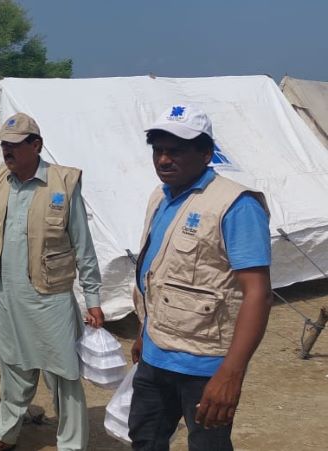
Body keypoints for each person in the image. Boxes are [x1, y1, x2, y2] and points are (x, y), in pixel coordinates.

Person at [128, 105, 272, 451]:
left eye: (175, 150)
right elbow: (157, 274)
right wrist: (142, 332)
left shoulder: (236, 205)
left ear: (206, 153)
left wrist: (230, 373)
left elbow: (257, 294)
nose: (163, 159)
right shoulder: (159, 197)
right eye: (158, 150)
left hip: (205, 363)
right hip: (155, 354)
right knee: (145, 439)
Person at [0, 113, 104, 451]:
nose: (8, 152)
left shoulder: (63, 183)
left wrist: (93, 300)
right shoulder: (1, 182)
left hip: (51, 297)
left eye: (15, 146)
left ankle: (71, 444)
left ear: (36, 145)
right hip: (8, 295)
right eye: (4, 145)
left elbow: (83, 245)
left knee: (64, 373)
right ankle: (3, 435)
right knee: (13, 367)